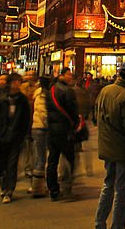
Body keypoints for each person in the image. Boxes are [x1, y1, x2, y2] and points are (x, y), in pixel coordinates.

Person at [94, 61, 125, 229]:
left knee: (108, 185)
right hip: (123, 149)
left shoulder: (104, 91)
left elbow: (96, 117)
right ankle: (118, 225)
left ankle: (99, 223)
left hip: (107, 147)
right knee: (121, 191)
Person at [0, 73, 32, 203]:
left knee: (12, 164)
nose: (17, 84)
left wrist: (25, 134)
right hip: (2, 136)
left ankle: (9, 190)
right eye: (15, 82)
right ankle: (3, 187)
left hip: (16, 136)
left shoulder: (22, 100)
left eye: (18, 82)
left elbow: (26, 119)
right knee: (2, 163)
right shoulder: (1, 99)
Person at [47, 67, 80, 201]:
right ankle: (67, 188)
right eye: (68, 75)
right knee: (69, 159)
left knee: (53, 160)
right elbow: (73, 110)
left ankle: (53, 190)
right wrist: (76, 123)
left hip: (52, 129)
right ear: (62, 75)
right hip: (65, 129)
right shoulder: (67, 91)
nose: (70, 77)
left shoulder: (51, 90)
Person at [29, 77, 50, 197]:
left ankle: (37, 185)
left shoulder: (38, 94)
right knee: (41, 158)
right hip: (41, 128)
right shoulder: (42, 95)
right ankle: (37, 188)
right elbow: (43, 113)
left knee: (39, 157)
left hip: (37, 127)